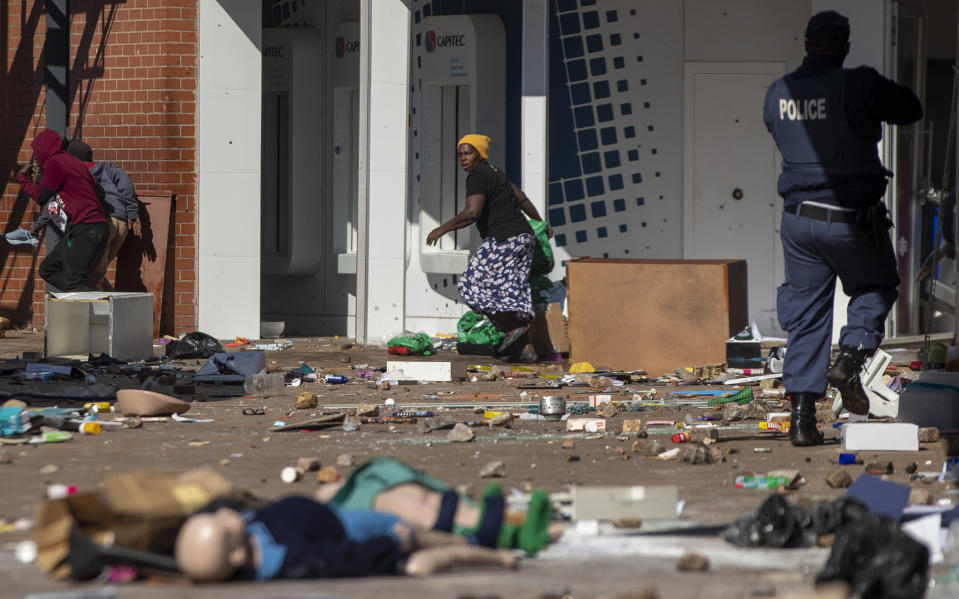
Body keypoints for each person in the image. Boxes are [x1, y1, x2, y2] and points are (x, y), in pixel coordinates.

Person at [763, 11, 923, 446]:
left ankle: (801, 421)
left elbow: (785, 134)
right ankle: (850, 359)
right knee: (876, 286)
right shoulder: (859, 84)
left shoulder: (778, 93)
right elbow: (911, 108)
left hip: (798, 221)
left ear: (807, 42)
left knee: (808, 315)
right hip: (851, 219)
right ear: (845, 45)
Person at [174, 495, 517, 582]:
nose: (224, 517)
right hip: (343, 529)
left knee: (406, 526)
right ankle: (475, 542)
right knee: (403, 530)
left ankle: (442, 531)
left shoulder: (248, 536)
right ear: (235, 557)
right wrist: (392, 544)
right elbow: (345, 557)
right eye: (222, 528)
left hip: (326, 516)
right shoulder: (293, 560)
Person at [426, 134, 552, 363]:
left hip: (505, 238)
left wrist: (442, 229)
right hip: (523, 237)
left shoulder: (477, 175)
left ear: (480, 154)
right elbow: (521, 199)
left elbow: (472, 213)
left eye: (468, 153)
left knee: (470, 284)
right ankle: (526, 352)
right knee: (508, 291)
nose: (463, 158)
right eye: (460, 154)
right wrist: (541, 223)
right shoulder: (494, 171)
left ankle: (513, 328)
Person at [16, 129, 108, 292]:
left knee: (75, 281)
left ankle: (89, 299)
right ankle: (83, 295)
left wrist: (23, 178)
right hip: (88, 229)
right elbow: (99, 191)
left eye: (36, 153)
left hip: (87, 228)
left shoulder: (54, 162)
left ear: (43, 150)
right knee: (48, 269)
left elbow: (41, 197)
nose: (36, 157)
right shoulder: (73, 162)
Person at [66, 141, 140, 290]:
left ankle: (102, 311)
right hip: (122, 224)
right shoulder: (108, 167)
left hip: (102, 224)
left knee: (92, 275)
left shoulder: (75, 175)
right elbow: (125, 182)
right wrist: (132, 212)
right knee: (95, 271)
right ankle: (113, 301)